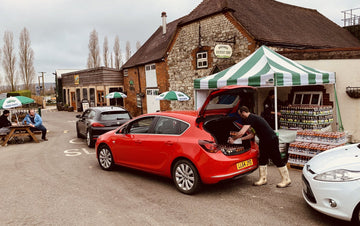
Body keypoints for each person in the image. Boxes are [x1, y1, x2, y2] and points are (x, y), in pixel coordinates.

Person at [229, 106, 291, 188]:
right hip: (264, 139)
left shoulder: (250, 118)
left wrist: (233, 139)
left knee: (276, 158)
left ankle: (286, 179)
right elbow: (252, 135)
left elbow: (241, 132)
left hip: (271, 139)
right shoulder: (253, 119)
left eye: (240, 114)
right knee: (262, 159)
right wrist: (240, 139)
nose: (241, 116)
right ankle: (263, 179)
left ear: (243, 112)